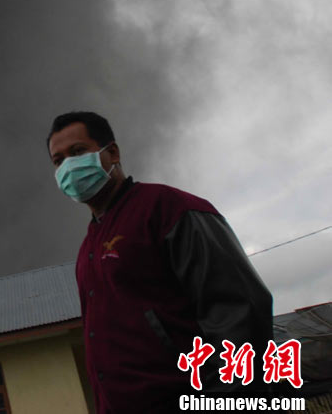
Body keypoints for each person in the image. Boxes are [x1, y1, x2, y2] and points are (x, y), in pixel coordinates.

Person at [47, 111, 273, 414]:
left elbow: (239, 313)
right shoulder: (89, 246)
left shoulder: (170, 210)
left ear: (112, 153)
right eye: (58, 161)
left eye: (77, 152)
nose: (68, 167)